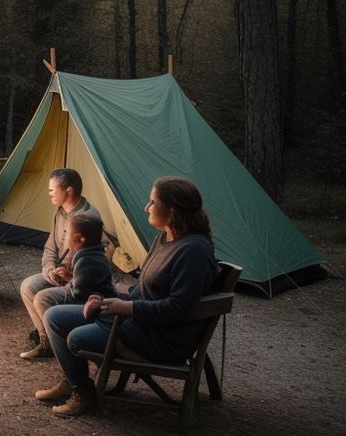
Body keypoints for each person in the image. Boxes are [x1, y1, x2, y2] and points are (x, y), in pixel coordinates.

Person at [34, 176, 219, 417]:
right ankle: (75, 382)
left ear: (172, 212)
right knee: (54, 316)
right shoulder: (166, 240)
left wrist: (126, 308)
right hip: (139, 322)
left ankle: (83, 393)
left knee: (75, 338)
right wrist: (106, 298)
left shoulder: (192, 251)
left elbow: (179, 308)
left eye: (152, 202)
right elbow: (144, 290)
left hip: (158, 337)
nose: (146, 207)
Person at [19, 168, 109, 358]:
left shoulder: (88, 217)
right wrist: (49, 269)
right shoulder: (60, 213)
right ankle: (47, 342)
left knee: (42, 297)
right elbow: (50, 247)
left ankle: (58, 341)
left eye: (52, 189)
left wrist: (68, 273)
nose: (49, 193)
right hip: (59, 273)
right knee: (28, 286)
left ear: (68, 190)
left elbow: (90, 259)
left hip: (77, 279)